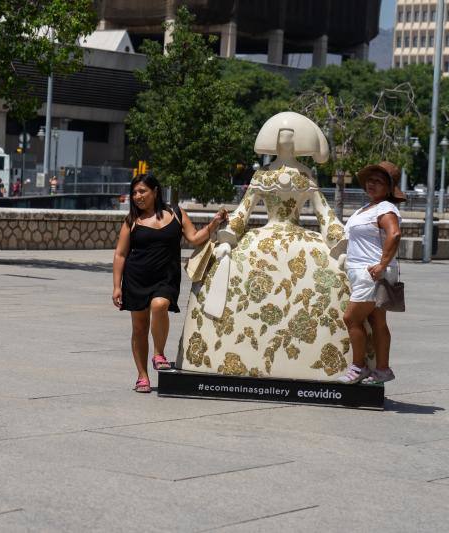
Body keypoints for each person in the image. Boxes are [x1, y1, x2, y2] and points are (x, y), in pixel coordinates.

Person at [178, 112, 352, 381]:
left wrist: (338, 243)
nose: (286, 142)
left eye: (291, 138)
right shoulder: (263, 175)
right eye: (283, 137)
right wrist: (227, 239)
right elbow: (243, 211)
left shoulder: (305, 174)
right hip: (263, 236)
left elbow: (323, 212)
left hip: (297, 238)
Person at [113, 174, 227, 393]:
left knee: (159, 305)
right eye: (134, 192)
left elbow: (194, 238)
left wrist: (214, 224)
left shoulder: (175, 213)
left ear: (155, 191)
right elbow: (120, 254)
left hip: (166, 276)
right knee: (139, 328)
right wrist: (117, 285)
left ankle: (159, 353)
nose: (138, 196)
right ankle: (142, 376)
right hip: (136, 278)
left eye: (142, 191)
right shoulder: (131, 221)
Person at [338, 161, 404, 384]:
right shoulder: (367, 208)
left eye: (379, 181)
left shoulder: (385, 208)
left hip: (371, 273)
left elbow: (394, 234)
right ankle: (383, 369)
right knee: (377, 322)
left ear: (389, 188)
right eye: (370, 180)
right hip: (365, 271)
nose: (372, 184)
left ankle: (359, 367)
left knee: (351, 318)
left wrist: (382, 264)